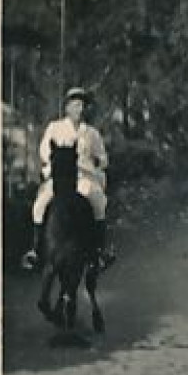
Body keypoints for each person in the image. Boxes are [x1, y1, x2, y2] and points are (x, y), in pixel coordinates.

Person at [22, 86, 113, 271]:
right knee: (40, 204)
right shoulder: (55, 128)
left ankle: (99, 250)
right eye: (76, 105)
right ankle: (35, 250)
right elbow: (44, 151)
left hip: (83, 177)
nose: (79, 109)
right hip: (60, 176)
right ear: (67, 107)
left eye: (82, 106)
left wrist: (96, 164)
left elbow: (103, 158)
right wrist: (55, 162)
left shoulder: (91, 133)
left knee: (98, 202)